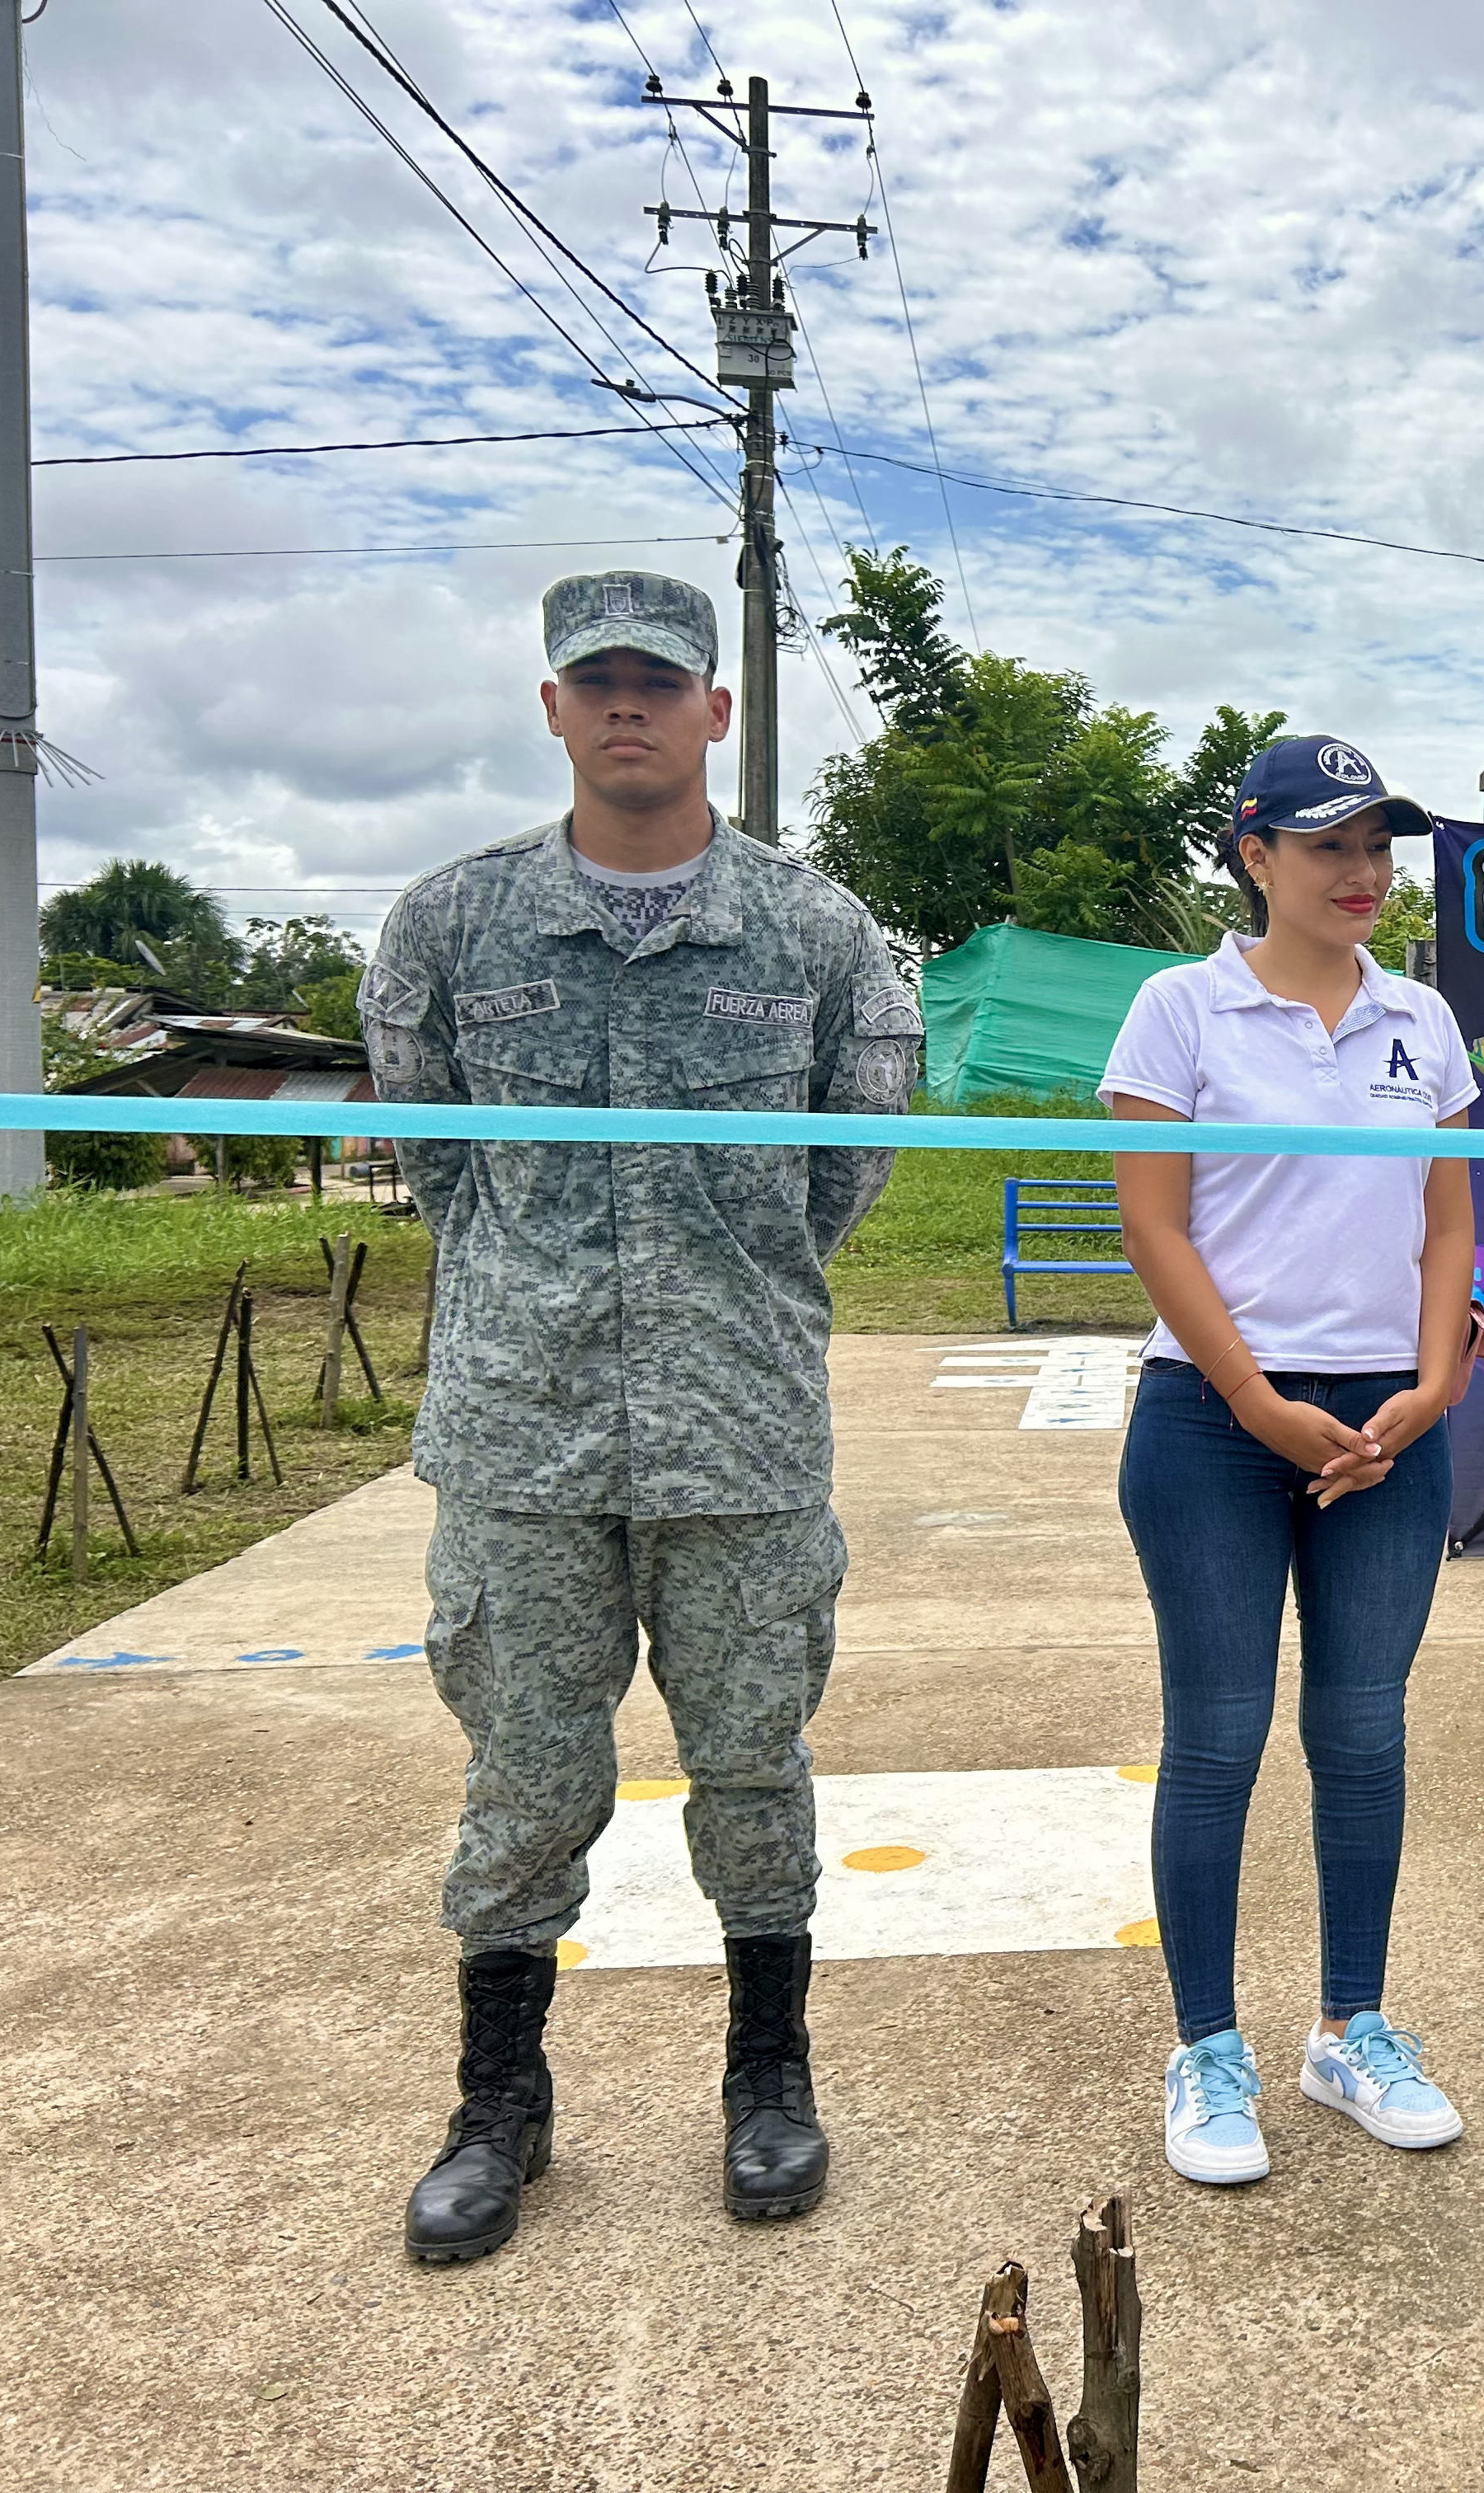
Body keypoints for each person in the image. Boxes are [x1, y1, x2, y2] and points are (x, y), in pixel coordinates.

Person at [362, 572, 919, 2263]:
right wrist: (550, 1303)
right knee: (526, 1777)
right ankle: (499, 2108)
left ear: (715, 713)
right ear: (551, 706)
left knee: (754, 1768)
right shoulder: (450, 929)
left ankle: (768, 2080)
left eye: (660, 683)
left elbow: (850, 1168)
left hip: (740, 1435)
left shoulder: (817, 934)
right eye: (595, 680)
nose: (628, 707)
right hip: (523, 1438)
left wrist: (720, 1302)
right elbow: (437, 1164)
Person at [1102, 735, 1479, 2188]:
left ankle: (1350, 2027)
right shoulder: (1177, 1008)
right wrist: (1255, 1396)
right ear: (1253, 854)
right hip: (1211, 1420)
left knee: (1363, 1730)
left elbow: (1448, 1220)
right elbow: (1156, 1228)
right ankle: (1208, 2046)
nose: (1364, 873)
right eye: (1329, 845)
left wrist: (1436, 1379)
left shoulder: (1423, 1022)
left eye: (1378, 845)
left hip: (1388, 1420)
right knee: (1214, 1735)